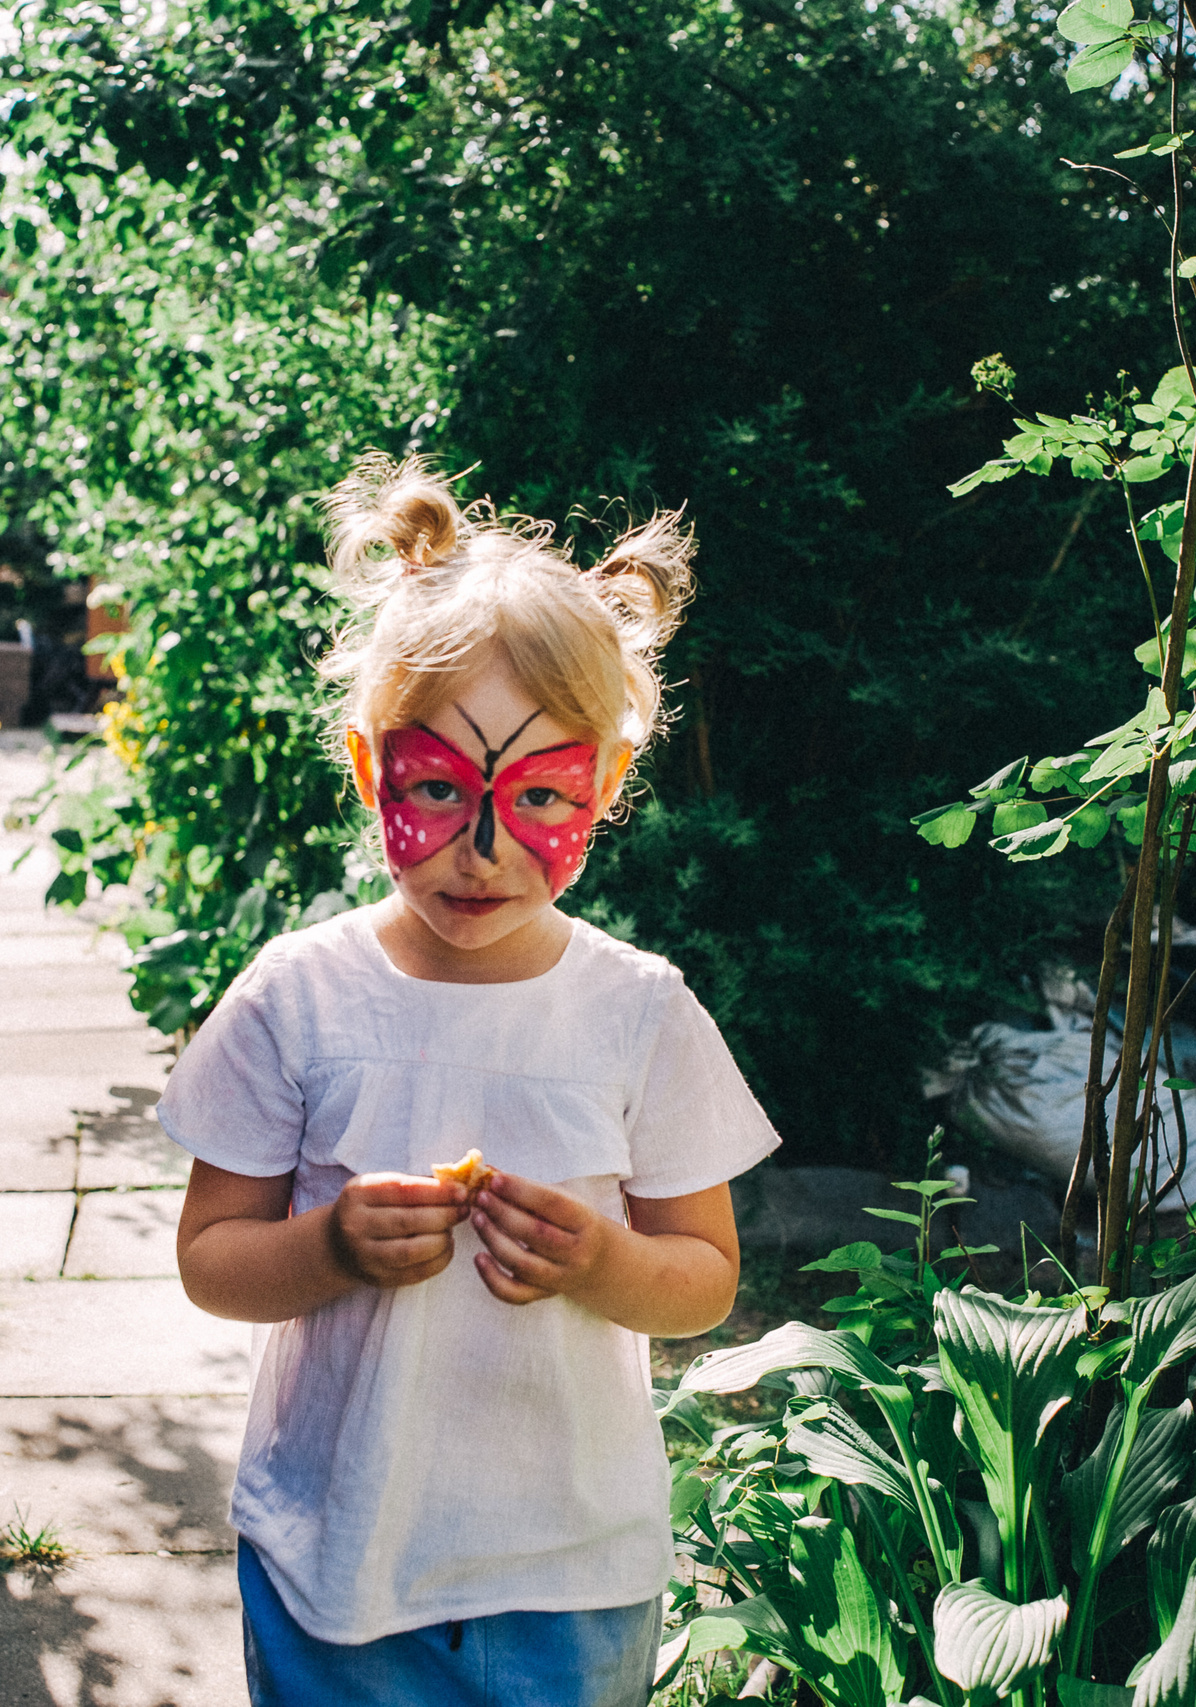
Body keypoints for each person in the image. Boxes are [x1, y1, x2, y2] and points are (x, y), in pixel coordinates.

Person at [158, 454, 781, 1705]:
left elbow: (704, 1282)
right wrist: (327, 1246)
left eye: (537, 795)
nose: (481, 850)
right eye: (436, 787)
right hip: (333, 1560)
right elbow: (212, 1258)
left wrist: (604, 1265)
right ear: (364, 764)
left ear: (602, 787)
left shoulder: (639, 1015)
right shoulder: (299, 996)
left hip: (570, 1574)